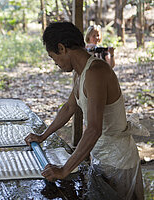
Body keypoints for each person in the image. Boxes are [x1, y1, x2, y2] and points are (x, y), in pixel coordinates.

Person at [25, 22, 144, 199]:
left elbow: (94, 129)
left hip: (118, 162)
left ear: (62, 48)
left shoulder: (96, 71)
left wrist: (65, 169)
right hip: (102, 156)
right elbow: (69, 108)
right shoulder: (81, 72)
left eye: (53, 57)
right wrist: (43, 136)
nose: (55, 63)